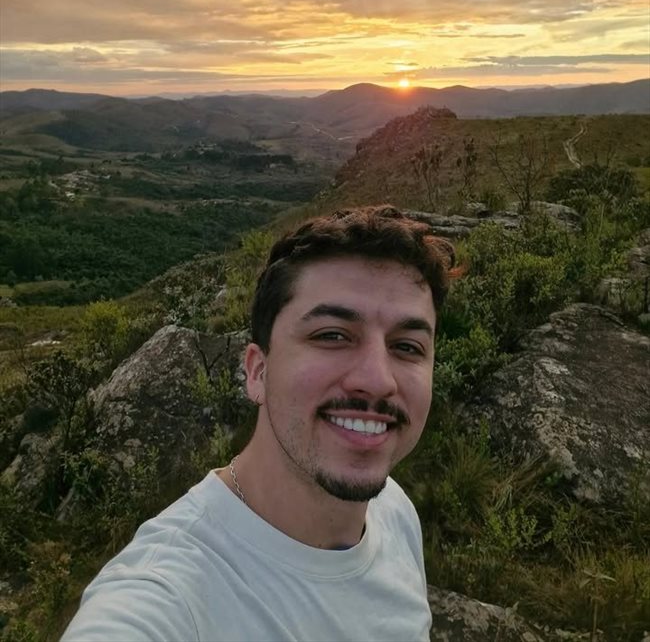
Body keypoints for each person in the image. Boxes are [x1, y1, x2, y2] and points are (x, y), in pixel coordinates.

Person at [63, 205, 458, 642]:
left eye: (407, 346)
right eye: (332, 335)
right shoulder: (168, 599)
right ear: (257, 372)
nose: (378, 380)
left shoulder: (394, 512)